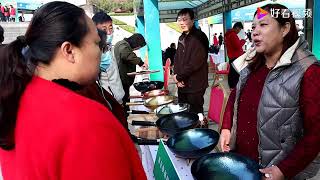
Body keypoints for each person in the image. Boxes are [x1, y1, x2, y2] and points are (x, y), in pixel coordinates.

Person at [0, 2, 146, 179]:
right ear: (69, 50)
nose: (100, 52)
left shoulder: (14, 98)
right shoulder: (86, 121)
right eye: (96, 44)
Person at [220, 4, 320, 180]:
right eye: (253, 27)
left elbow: (316, 132)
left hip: (275, 173)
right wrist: (226, 127)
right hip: (242, 165)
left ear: (285, 29)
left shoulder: (308, 71)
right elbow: (235, 97)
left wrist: (283, 170)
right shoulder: (251, 64)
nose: (255, 32)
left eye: (263, 25)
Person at [173, 8, 209, 113]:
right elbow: (177, 59)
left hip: (195, 85)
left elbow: (194, 63)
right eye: (179, 20)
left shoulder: (199, 37)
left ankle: (201, 128)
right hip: (182, 84)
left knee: (195, 115)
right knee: (183, 114)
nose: (182, 23)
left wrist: (179, 77)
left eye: (185, 19)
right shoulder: (181, 37)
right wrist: (176, 77)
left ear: (192, 20)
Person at [92, 12, 125, 104]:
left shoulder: (110, 48)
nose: (109, 32)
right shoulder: (94, 52)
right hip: (109, 101)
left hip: (118, 98)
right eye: (104, 29)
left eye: (111, 28)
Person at [114, 33, 148, 107]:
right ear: (135, 43)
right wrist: (141, 63)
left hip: (123, 80)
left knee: (125, 99)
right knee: (124, 101)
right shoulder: (123, 45)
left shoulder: (122, 44)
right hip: (121, 80)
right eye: (138, 47)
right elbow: (126, 55)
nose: (137, 49)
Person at [224, 22, 246, 89]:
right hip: (235, 56)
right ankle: (234, 87)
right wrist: (243, 41)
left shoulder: (228, 34)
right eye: (239, 29)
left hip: (231, 56)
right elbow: (237, 46)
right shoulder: (233, 35)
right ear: (237, 27)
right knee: (235, 73)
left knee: (232, 72)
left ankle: (231, 86)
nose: (239, 31)